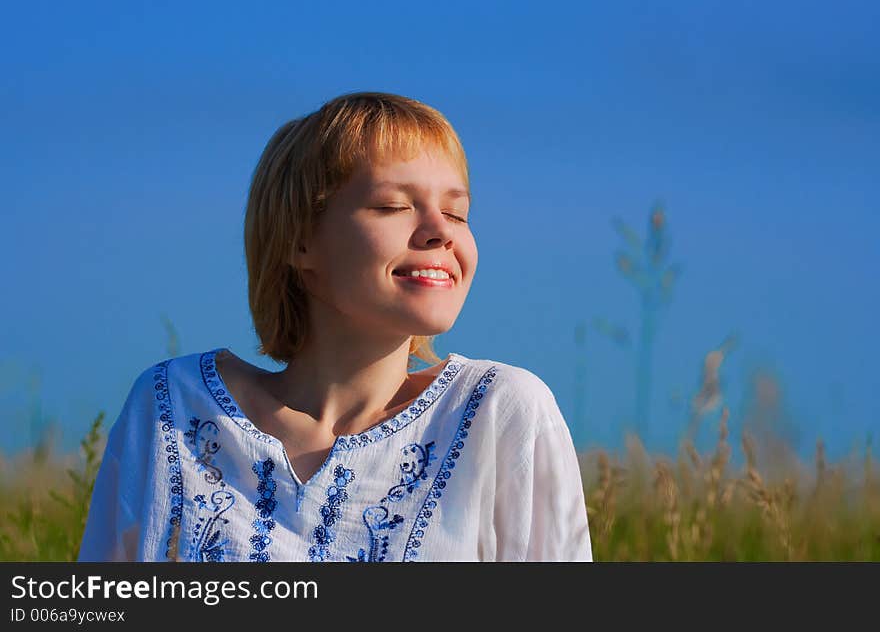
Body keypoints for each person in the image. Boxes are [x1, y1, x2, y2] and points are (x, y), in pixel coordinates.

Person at [78, 91, 592, 562]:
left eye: (458, 214)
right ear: (301, 241)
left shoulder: (498, 412)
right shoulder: (171, 407)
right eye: (394, 206)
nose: (440, 232)